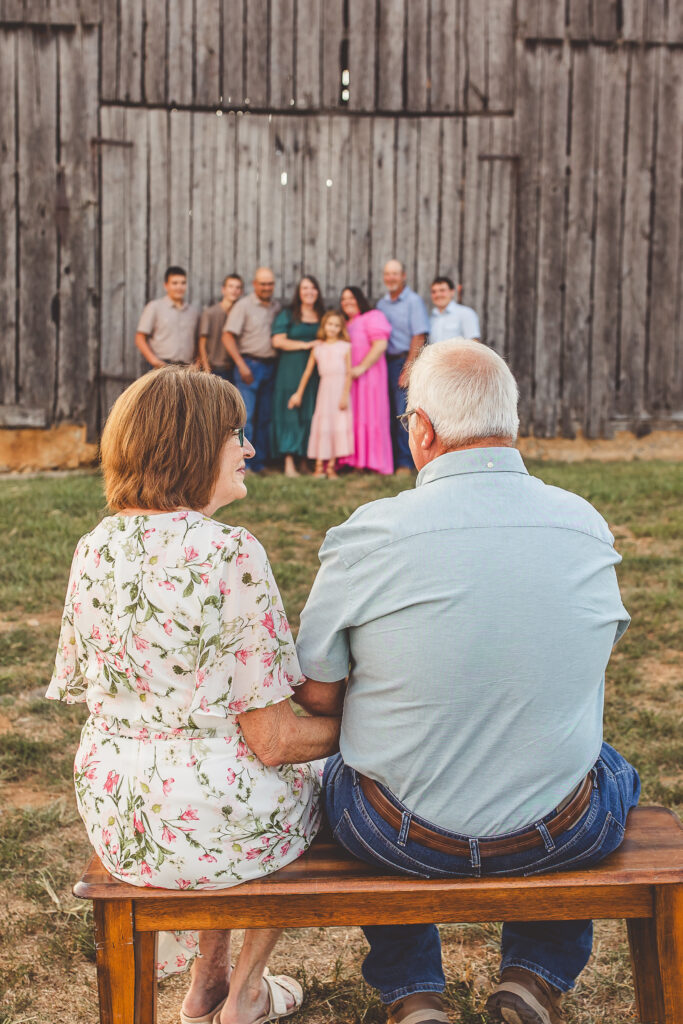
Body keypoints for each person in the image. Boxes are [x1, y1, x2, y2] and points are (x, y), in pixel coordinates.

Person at [295, 338, 640, 1024]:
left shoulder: (371, 533)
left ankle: (413, 994)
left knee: (343, 770)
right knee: (605, 768)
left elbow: (316, 694)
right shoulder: (584, 525)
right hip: (559, 832)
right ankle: (533, 977)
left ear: (421, 428)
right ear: (508, 421)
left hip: (399, 836)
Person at [47, 366, 342, 1024]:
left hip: (117, 809)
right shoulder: (228, 552)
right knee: (324, 775)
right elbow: (273, 741)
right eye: (234, 434)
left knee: (223, 777)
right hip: (207, 814)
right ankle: (246, 991)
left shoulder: (94, 546)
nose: (248, 449)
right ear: (190, 446)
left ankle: (207, 981)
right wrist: (374, 727)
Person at [222, 267, 281, 474]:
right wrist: (241, 364)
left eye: (270, 284)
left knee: (265, 417)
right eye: (263, 284)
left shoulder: (275, 307)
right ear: (255, 284)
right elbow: (227, 336)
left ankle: (260, 463)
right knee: (246, 418)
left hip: (270, 366)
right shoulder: (244, 306)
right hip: (249, 366)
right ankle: (242, 464)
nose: (267, 287)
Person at [376, 260, 430, 474]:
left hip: (403, 361)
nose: (391, 278)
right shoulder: (382, 305)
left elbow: (419, 335)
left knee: (403, 414)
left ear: (403, 276)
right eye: (387, 274)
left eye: (395, 274)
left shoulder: (413, 302)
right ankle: (388, 462)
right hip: (383, 363)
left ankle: (406, 463)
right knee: (386, 413)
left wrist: (408, 367)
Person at [270, 276, 325, 477]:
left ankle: (305, 460)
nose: (309, 291)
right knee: (290, 412)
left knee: (310, 411)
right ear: (299, 292)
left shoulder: (322, 315)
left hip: (315, 372)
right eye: (304, 288)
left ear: (317, 292)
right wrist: (306, 345)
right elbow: (277, 341)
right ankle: (288, 462)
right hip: (290, 369)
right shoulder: (289, 314)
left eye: (312, 287)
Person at [288, 311, 353, 480]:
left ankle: (331, 467)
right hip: (325, 391)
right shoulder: (318, 348)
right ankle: (318, 466)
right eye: (330, 324)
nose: (333, 328)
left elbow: (349, 373)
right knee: (323, 425)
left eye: (337, 325)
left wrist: (345, 395)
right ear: (324, 326)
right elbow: (308, 372)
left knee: (336, 426)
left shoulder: (345, 347)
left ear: (341, 328)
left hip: (339, 391)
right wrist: (299, 393)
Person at [337, 287, 393, 476]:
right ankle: (354, 462)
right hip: (350, 379)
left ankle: (372, 462)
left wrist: (362, 367)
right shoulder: (345, 323)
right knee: (354, 418)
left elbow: (380, 344)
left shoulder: (373, 316)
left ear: (360, 298)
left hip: (370, 376)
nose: (347, 302)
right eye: (344, 299)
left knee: (371, 416)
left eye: (351, 298)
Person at [135, 265, 200, 368]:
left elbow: (197, 340)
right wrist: (155, 361)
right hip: (161, 365)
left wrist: (197, 362)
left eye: (183, 283)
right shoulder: (155, 307)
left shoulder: (193, 312)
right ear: (166, 285)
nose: (179, 287)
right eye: (175, 283)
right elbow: (140, 338)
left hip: (186, 367)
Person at [198, 274, 244, 378]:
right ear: (223, 290)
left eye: (238, 287)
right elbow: (202, 344)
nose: (234, 290)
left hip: (234, 369)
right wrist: (206, 369)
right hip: (214, 369)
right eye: (231, 286)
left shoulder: (241, 314)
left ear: (241, 292)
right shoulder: (210, 313)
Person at [428, 276, 480, 343]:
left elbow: (474, 343)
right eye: (434, 292)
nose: (438, 294)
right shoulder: (430, 317)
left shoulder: (466, 313)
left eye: (442, 290)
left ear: (452, 292)